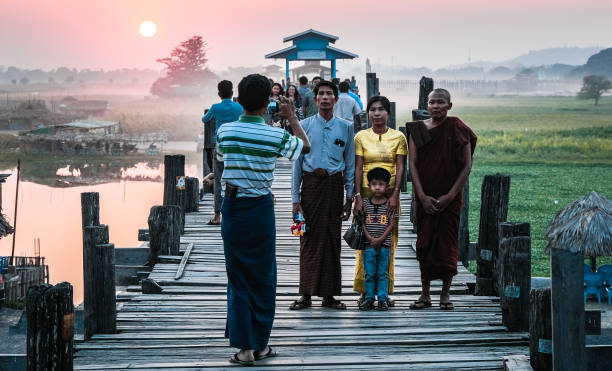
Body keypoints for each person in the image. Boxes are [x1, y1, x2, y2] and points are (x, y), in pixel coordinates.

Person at [216, 74, 311, 365]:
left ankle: (244, 348)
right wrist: (292, 117)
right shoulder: (276, 135)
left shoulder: (226, 131)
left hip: (232, 209)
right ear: (267, 101)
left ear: (238, 99)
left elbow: (221, 157)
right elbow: (304, 147)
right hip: (260, 209)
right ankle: (259, 344)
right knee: (262, 277)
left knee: (238, 277)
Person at [407, 88, 476, 311]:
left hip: (450, 198)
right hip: (424, 197)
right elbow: (413, 166)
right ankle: (425, 293)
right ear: (426, 105)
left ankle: (445, 294)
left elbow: (466, 166)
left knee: (447, 245)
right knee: (424, 243)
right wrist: (421, 196)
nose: (436, 106)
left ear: (449, 105)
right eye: (432, 102)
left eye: (440, 102)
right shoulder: (418, 129)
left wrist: (450, 196)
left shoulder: (457, 128)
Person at [290, 80, 355, 310]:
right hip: (310, 187)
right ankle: (305, 294)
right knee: (306, 237)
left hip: (334, 187)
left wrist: (350, 197)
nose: (325, 98)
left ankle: (329, 295)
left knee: (331, 239)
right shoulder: (304, 125)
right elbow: (297, 164)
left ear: (336, 99)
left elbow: (350, 163)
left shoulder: (346, 127)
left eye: (330, 94)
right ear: (315, 99)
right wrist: (295, 200)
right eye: (321, 94)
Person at [353, 95, 407, 306]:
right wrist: (357, 197)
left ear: (388, 113)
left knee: (387, 244)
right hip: (365, 196)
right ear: (368, 113)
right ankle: (363, 292)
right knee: (363, 244)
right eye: (372, 109)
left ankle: (384, 293)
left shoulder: (398, 137)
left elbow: (400, 167)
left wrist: (395, 195)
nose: (376, 113)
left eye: (381, 109)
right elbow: (358, 167)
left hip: (390, 197)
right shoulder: (361, 137)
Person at [202, 80, 243, 225]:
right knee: (236, 179)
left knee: (219, 180)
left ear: (219, 94)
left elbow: (205, 119)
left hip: (220, 146)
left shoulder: (215, 107)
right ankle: (235, 212)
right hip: (236, 147)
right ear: (232, 93)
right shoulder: (239, 107)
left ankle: (217, 216)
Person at [359, 167, 396, 311]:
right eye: (374, 184)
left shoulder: (390, 204)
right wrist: (369, 237)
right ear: (369, 186)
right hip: (369, 246)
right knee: (369, 273)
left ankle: (382, 299)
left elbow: (392, 224)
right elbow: (362, 222)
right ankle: (369, 298)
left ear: (387, 186)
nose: (378, 187)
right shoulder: (366, 203)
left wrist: (380, 239)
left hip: (384, 245)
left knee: (382, 273)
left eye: (381, 184)